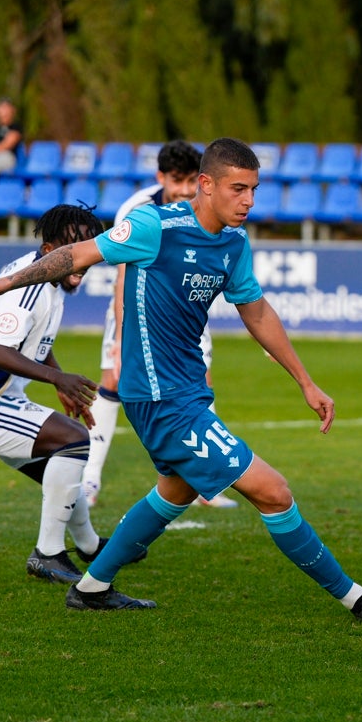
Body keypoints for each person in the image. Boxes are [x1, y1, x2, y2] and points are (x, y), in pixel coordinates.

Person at [0, 137, 362, 624]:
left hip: (188, 389)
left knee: (174, 490)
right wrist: (6, 282)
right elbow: (78, 254)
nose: (249, 201)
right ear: (206, 184)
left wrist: (305, 381)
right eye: (238, 189)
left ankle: (92, 588)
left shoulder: (233, 244)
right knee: (273, 491)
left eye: (254, 190)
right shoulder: (155, 226)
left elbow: (255, 311)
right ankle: (359, 601)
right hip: (158, 396)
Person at [0, 204, 109, 584]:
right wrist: (57, 380)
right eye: (73, 250)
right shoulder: (31, 288)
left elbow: (33, 341)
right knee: (73, 440)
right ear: (50, 250)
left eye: (87, 250)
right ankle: (48, 554)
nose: (81, 260)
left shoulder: (48, 280)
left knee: (64, 455)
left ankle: (89, 544)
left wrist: (59, 378)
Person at [82, 140, 237, 509]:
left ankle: (205, 485)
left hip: (187, 310)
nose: (185, 189)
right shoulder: (136, 209)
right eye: (177, 180)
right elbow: (121, 275)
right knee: (112, 380)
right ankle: (89, 480)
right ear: (160, 177)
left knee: (203, 380)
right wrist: (121, 338)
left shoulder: (204, 205)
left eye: (190, 180)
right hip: (134, 306)